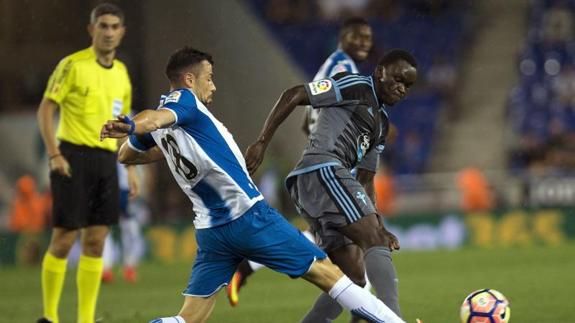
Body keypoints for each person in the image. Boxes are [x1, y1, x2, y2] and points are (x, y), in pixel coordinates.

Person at [100, 46, 406, 323]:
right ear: (189, 80)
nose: (214, 85)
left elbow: (128, 153)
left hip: (211, 232)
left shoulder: (175, 123)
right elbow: (152, 119)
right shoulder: (184, 102)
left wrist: (152, 141)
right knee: (329, 274)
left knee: (188, 319)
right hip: (248, 216)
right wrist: (130, 124)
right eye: (209, 77)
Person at [244, 49, 418, 322]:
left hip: (323, 183)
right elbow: (295, 93)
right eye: (397, 79)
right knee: (372, 240)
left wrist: (380, 226)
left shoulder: (381, 124)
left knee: (353, 280)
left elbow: (365, 180)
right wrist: (262, 142)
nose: (401, 88)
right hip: (322, 170)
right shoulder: (356, 85)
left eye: (407, 85)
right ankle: (393, 318)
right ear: (379, 71)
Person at [227, 17, 374, 308]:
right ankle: (384, 313)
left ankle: (250, 262)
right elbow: (301, 100)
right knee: (358, 259)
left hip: (327, 167)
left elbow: (309, 121)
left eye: (368, 38)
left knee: (339, 248)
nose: (364, 43)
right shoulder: (342, 69)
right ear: (343, 36)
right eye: (358, 36)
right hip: (332, 171)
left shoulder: (336, 67)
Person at [36, 3, 138, 323]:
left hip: (106, 160)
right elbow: (45, 110)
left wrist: (131, 167)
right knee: (64, 238)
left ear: (122, 32)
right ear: (91, 29)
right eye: (102, 26)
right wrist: (54, 154)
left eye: (114, 27)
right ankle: (50, 317)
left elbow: (124, 125)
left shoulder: (121, 73)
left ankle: (86, 319)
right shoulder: (72, 65)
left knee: (96, 241)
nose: (108, 32)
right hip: (72, 157)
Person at [102, 162, 144, 283]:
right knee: (104, 229)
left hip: (126, 189)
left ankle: (129, 266)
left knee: (131, 229)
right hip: (107, 188)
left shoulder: (125, 144)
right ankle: (106, 268)